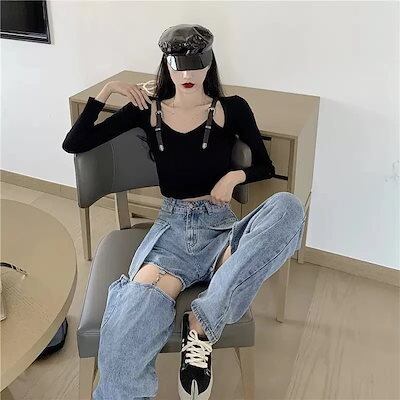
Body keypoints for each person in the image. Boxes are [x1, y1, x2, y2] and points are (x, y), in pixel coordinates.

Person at [62, 23, 306, 400]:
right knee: (127, 323)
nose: (188, 74)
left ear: (210, 63)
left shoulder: (232, 108)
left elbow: (265, 165)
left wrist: (235, 176)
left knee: (289, 207)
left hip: (221, 231)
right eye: (178, 65)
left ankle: (201, 324)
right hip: (171, 234)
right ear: (166, 65)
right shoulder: (147, 110)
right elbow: (74, 142)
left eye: (197, 63)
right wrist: (107, 91)